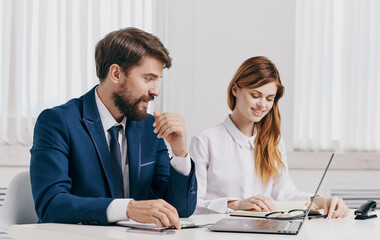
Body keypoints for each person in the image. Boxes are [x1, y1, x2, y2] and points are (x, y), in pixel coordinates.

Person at [30, 27, 197, 229]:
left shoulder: (149, 128)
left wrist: (180, 153)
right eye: (148, 78)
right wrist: (127, 208)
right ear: (116, 73)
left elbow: (179, 210)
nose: (156, 91)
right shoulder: (58, 122)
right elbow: (50, 205)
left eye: (157, 80)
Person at [189, 56, 349, 219]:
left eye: (269, 98)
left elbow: (287, 194)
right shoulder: (205, 140)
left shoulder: (273, 140)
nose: (263, 105)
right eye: (255, 95)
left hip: (263, 228)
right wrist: (236, 204)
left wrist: (322, 201)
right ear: (235, 90)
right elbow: (192, 204)